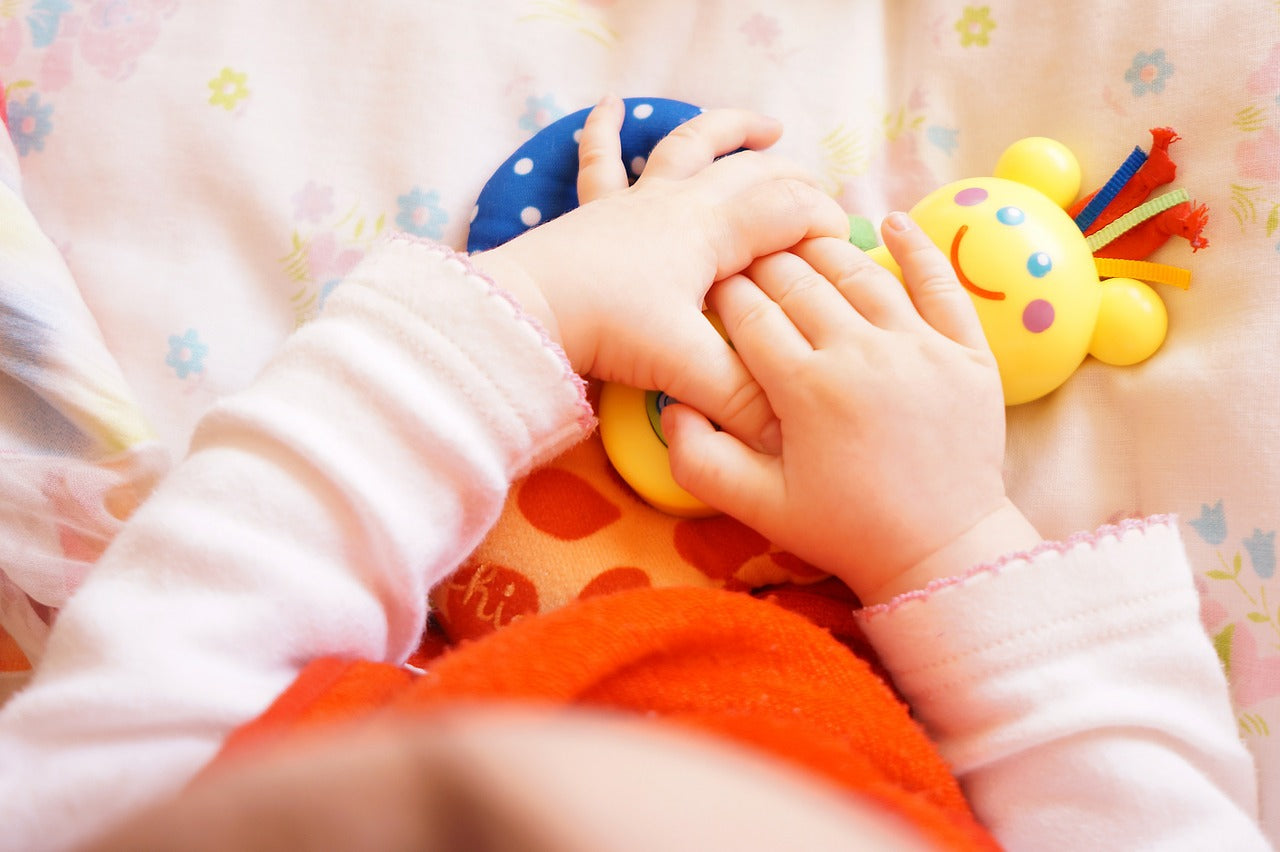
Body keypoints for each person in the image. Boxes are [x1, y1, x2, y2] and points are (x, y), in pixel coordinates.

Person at [0, 95, 1267, 851]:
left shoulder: (95, 816)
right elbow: (1145, 811)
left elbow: (221, 583)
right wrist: (948, 530)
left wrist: (536, 300)